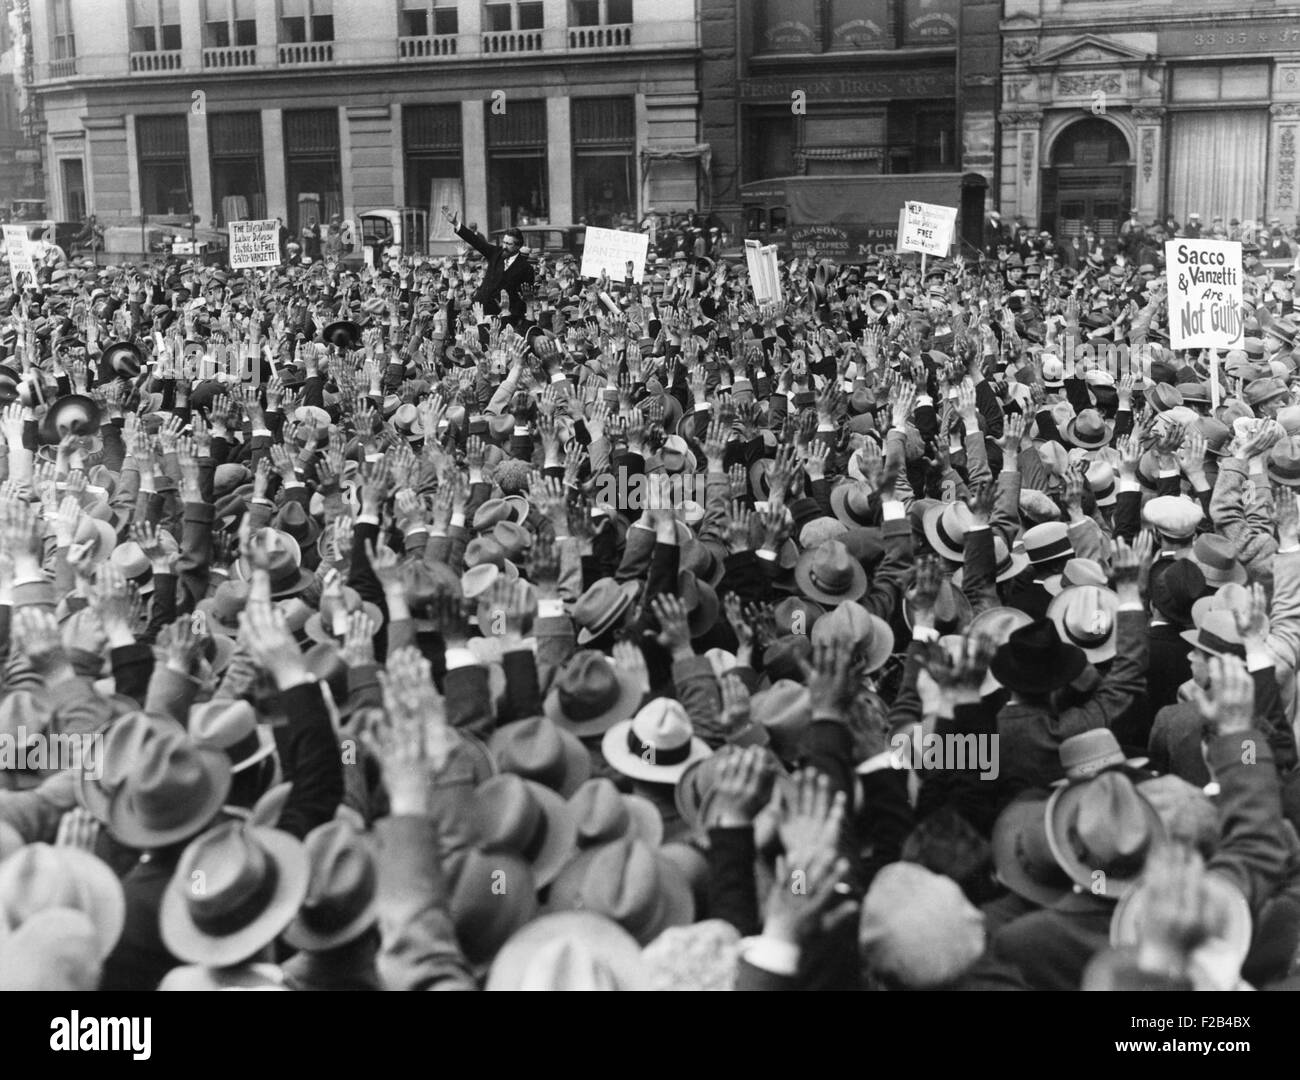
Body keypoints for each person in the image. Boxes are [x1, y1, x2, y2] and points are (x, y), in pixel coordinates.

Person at [441, 205, 534, 323]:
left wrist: (511, 317)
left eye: (509, 244)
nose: (504, 246)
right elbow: (476, 241)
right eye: (504, 242)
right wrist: (455, 223)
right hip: (479, 311)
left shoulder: (526, 269)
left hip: (501, 318)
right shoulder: (496, 253)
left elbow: (524, 299)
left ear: (518, 246)